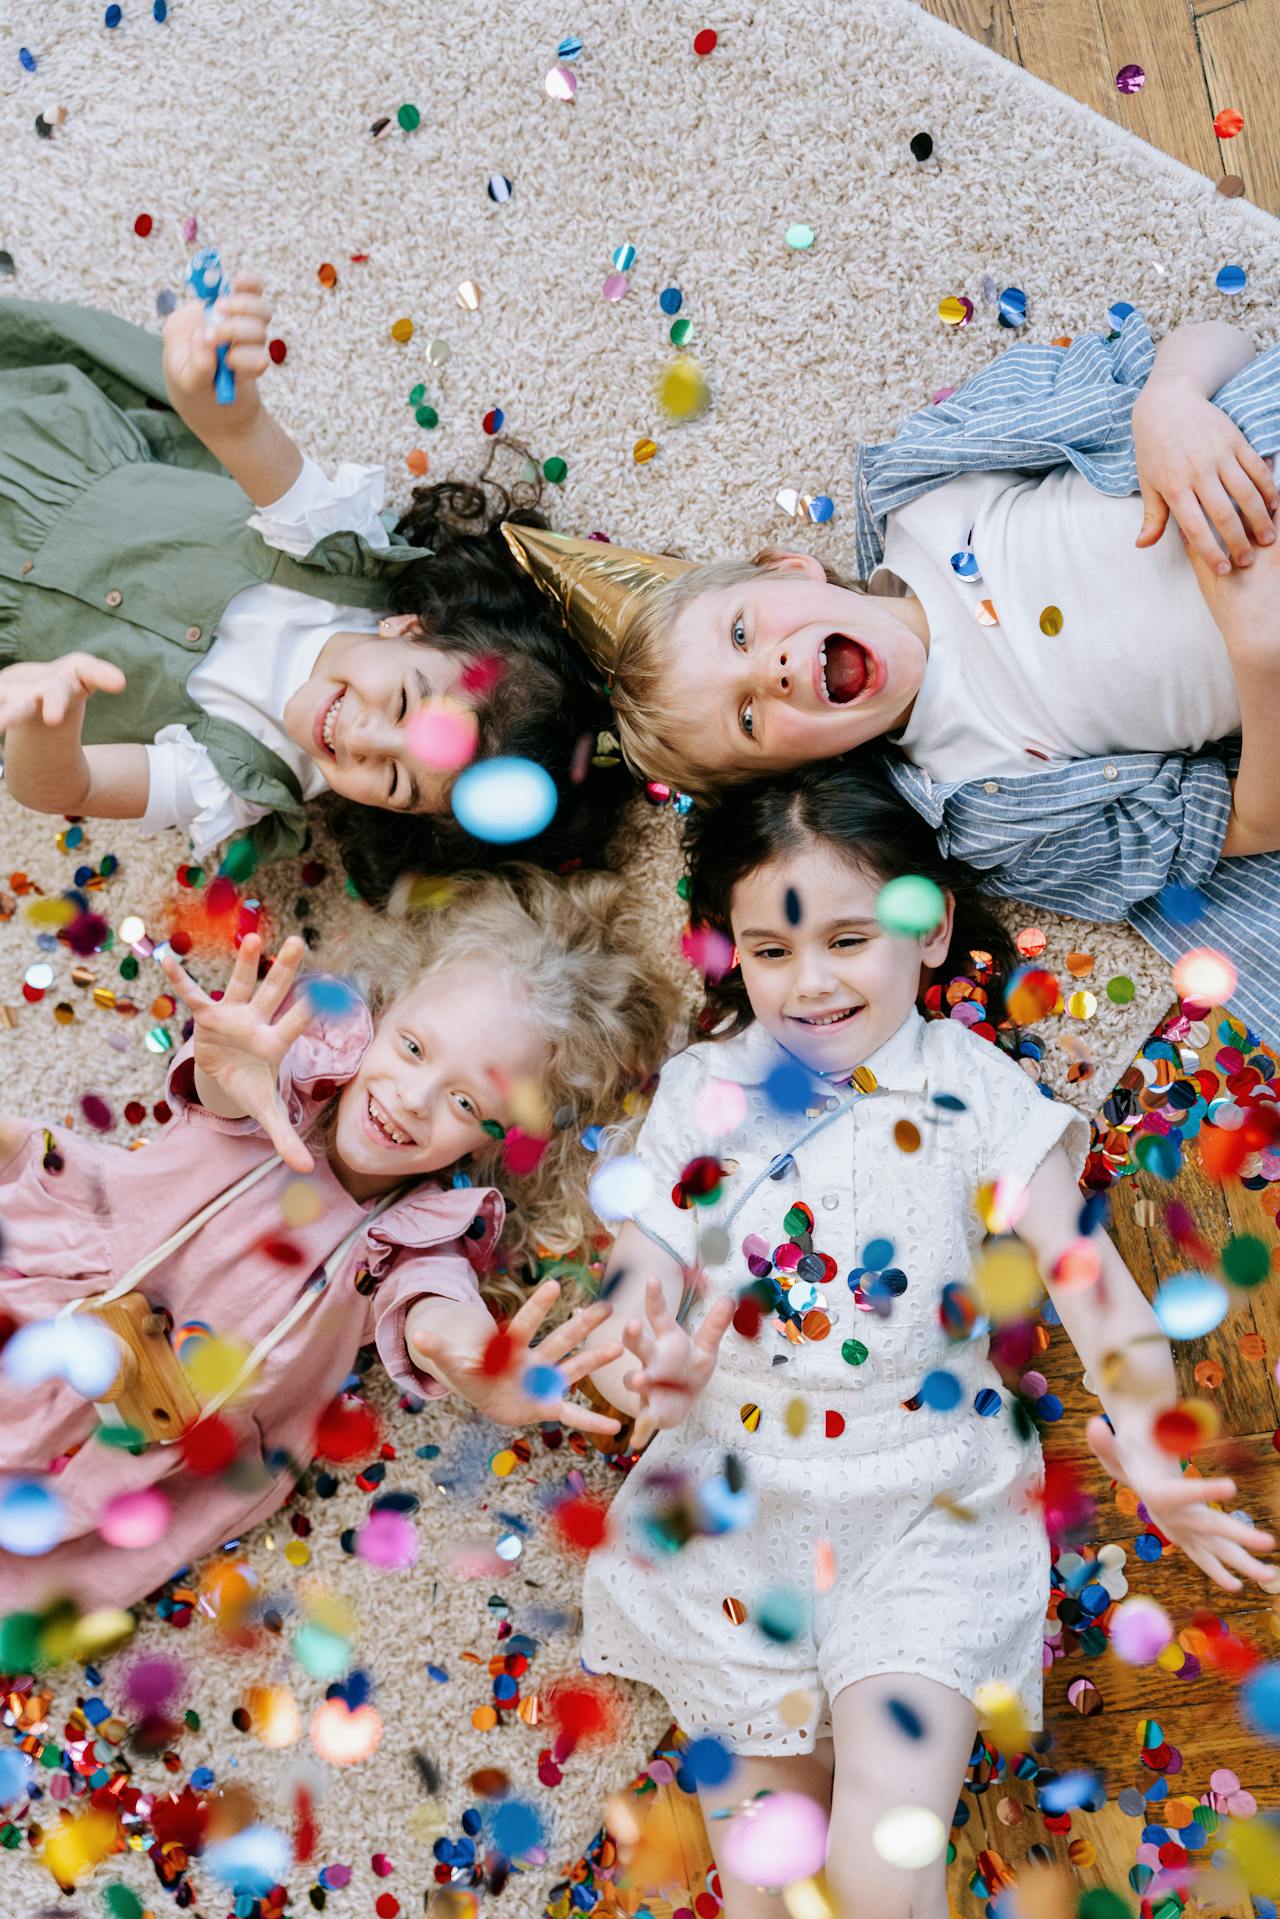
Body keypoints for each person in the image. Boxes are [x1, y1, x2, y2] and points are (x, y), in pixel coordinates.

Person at [575, 760, 1277, 1919]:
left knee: (878, 1878)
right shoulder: (702, 1086)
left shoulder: (978, 1091)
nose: (807, 984)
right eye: (769, 951)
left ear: (930, 923)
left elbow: (1096, 1290)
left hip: (924, 1516)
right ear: (731, 954)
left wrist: (1149, 1437)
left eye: (847, 938)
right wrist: (641, 1336)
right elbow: (642, 1254)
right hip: (726, 1514)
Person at [529, 312, 1280, 1046]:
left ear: (790, 566)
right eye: (749, 717)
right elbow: (1250, 826)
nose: (776, 669)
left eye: (741, 633)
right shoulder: (983, 806)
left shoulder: (931, 480)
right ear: (805, 769)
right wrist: (1258, 659)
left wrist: (1170, 402)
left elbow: (1216, 342)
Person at [0, 865, 681, 1613]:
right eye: (414, 1048)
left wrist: (477, 1364)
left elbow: (436, 1318)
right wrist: (231, 1065)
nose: (411, 1100)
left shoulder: (425, 1236)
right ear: (385, 1009)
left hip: (166, 1438)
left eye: (464, 1100)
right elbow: (226, 1092)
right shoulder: (289, 1079)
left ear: (502, 1139)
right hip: (66, 1290)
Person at [0, 277, 626, 898]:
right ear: (412, 627)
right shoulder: (340, 555)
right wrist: (216, 398)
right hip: (34, 465)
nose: (360, 739)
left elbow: (66, 789)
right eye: (405, 704)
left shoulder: (244, 778)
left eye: (397, 783)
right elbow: (241, 435)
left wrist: (44, 725)